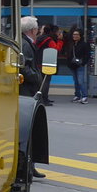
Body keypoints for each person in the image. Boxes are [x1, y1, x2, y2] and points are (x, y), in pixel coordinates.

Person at [19, 16, 46, 178]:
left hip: (26, 90)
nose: (38, 32)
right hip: (27, 91)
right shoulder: (26, 44)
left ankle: (31, 166)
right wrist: (37, 77)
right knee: (29, 129)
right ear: (32, 30)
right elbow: (25, 67)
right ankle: (29, 168)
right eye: (37, 29)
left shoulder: (25, 42)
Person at [35, 23, 62, 105]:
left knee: (41, 81)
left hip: (39, 62)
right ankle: (44, 99)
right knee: (46, 82)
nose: (58, 34)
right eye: (58, 32)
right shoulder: (48, 40)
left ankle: (42, 98)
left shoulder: (39, 38)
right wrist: (60, 41)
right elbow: (56, 49)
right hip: (46, 62)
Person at [66, 26, 90, 103]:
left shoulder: (84, 44)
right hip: (72, 65)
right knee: (76, 81)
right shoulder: (71, 44)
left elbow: (87, 55)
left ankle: (85, 96)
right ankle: (77, 95)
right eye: (74, 34)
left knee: (80, 81)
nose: (75, 36)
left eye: (77, 34)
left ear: (80, 35)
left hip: (79, 65)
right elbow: (68, 54)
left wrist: (83, 63)